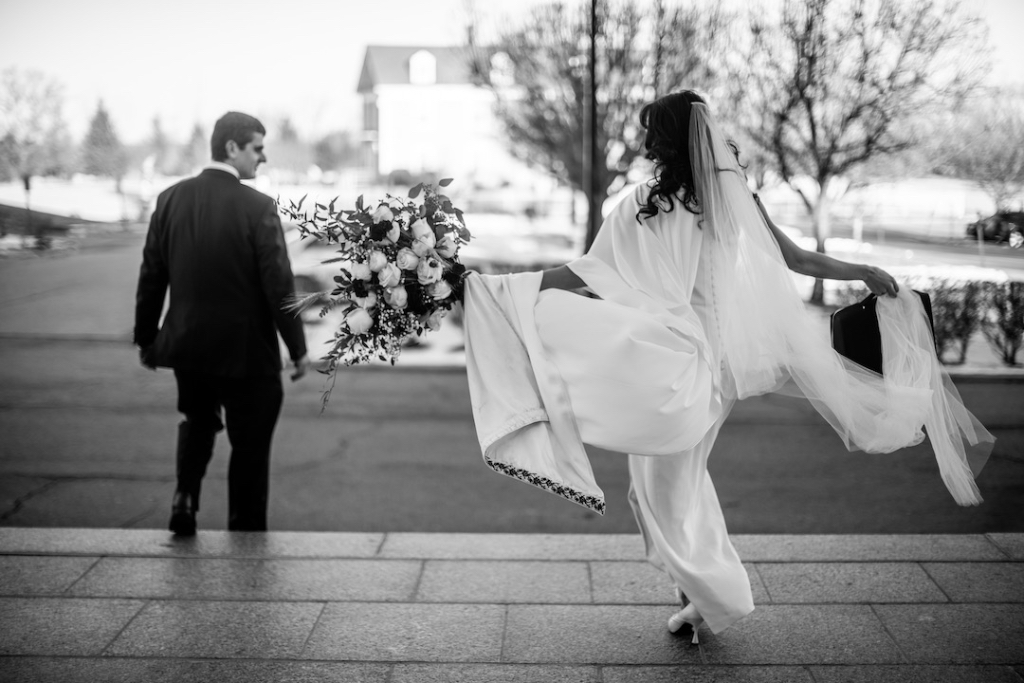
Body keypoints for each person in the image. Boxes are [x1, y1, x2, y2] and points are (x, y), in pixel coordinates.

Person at [461, 91, 991, 642]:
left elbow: (581, 275)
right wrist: (859, 269)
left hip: (669, 368)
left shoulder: (644, 204)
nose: (643, 142)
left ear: (663, 141)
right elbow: (797, 260)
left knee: (662, 490)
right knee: (672, 485)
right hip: (714, 365)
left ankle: (716, 598)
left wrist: (500, 291)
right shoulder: (727, 196)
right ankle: (699, 599)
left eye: (649, 132)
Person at [134, 111, 310, 535]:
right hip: (247, 355)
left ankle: (184, 497)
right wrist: (298, 348)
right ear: (232, 148)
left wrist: (147, 338)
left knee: (197, 421)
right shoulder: (257, 206)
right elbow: (278, 285)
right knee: (250, 447)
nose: (262, 158)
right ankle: (244, 531)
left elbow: (152, 274)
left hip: (189, 348)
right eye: (257, 148)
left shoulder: (170, 198)